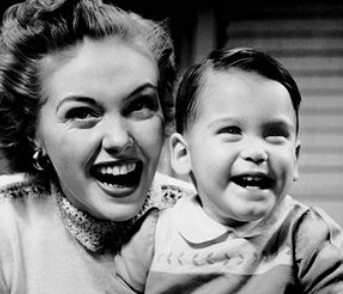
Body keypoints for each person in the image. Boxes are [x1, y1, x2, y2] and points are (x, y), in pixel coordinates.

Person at [0, 0, 195, 293]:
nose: (118, 139)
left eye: (139, 105)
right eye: (82, 113)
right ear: (32, 131)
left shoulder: (203, 219)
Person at [114, 47, 343, 293]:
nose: (257, 152)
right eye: (232, 131)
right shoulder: (154, 237)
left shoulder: (306, 235)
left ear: (295, 159)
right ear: (183, 154)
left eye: (275, 134)